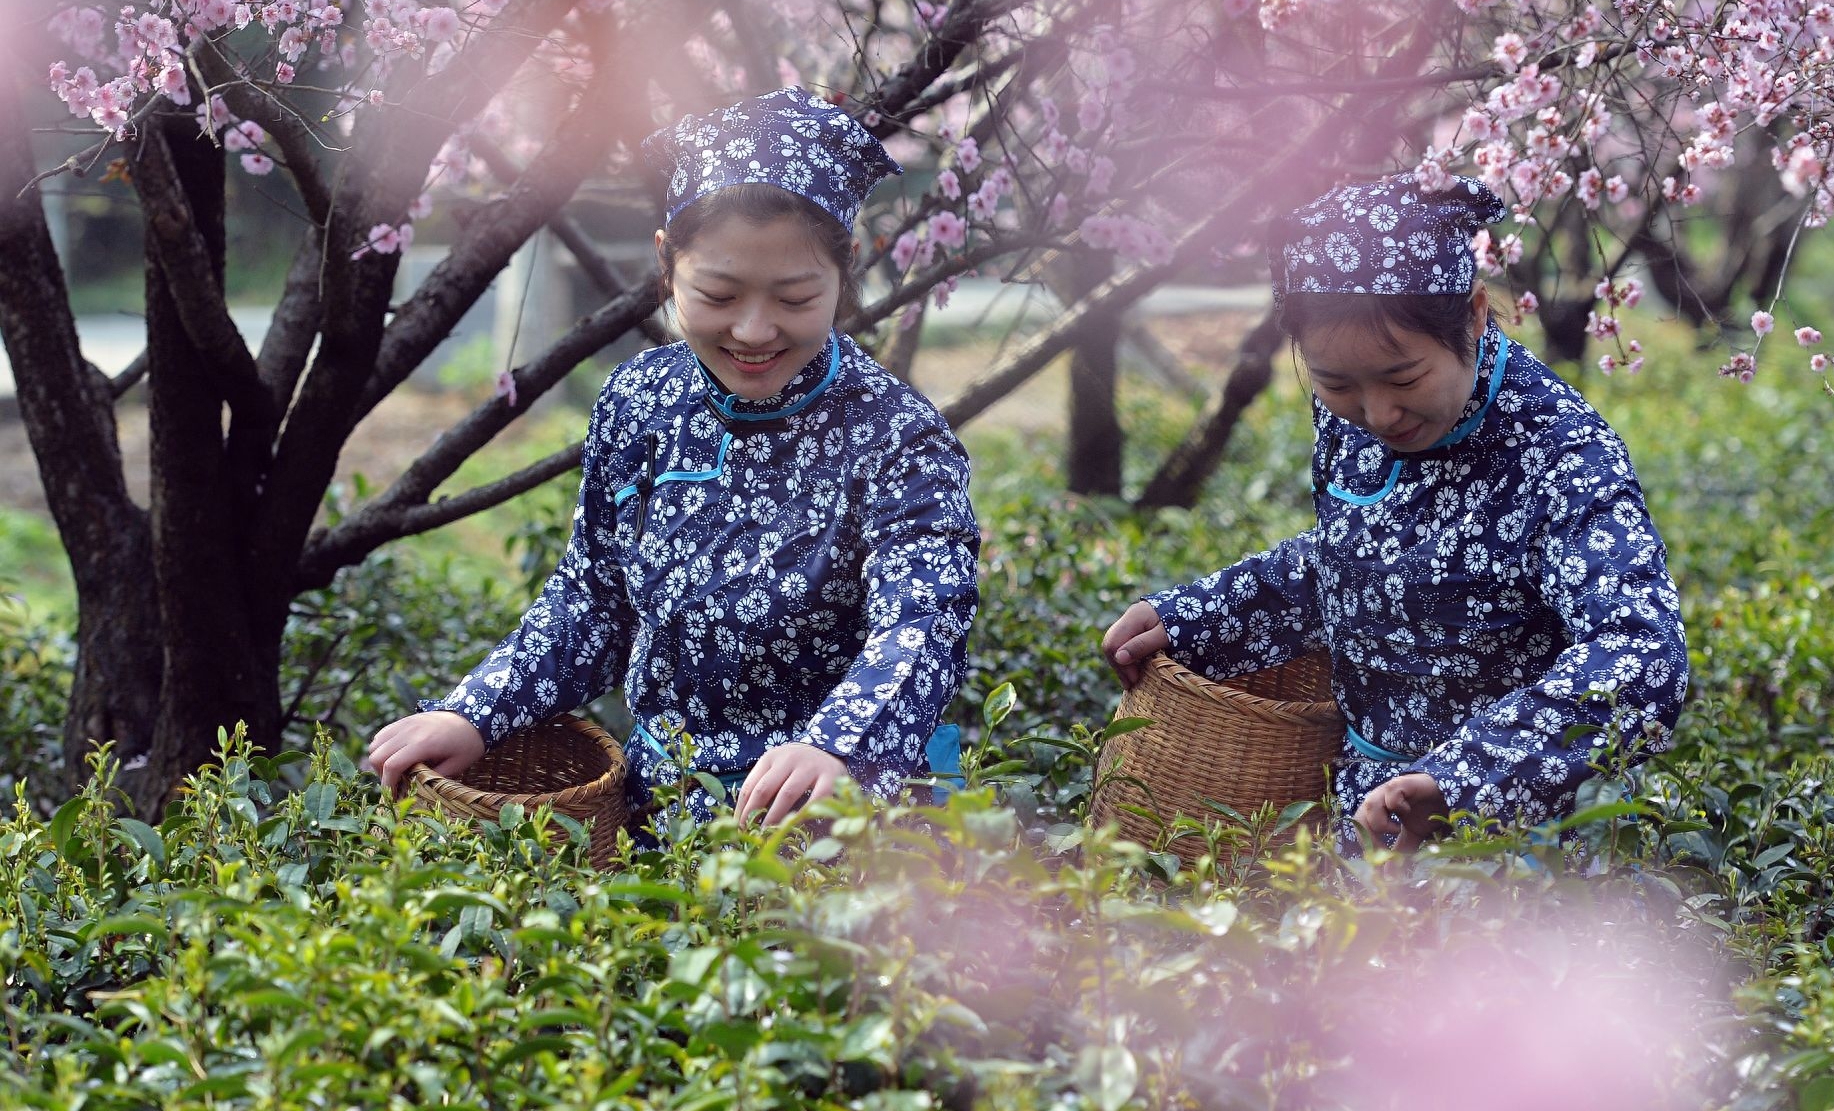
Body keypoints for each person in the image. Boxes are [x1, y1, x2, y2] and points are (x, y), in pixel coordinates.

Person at [364, 87, 978, 831]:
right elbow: (595, 596)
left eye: (794, 297)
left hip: (829, 815)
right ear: (666, 265)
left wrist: (838, 747)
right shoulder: (639, 401)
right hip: (658, 809)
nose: (754, 330)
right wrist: (475, 712)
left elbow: (921, 620)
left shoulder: (897, 437)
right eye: (718, 293)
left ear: (843, 270)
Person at [1102, 175, 1688, 849]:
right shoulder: (1353, 417)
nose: (1377, 415)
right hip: (1360, 815)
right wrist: (1192, 619)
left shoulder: (1560, 455)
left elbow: (1642, 656)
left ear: (1471, 315)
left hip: (1518, 841)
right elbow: (1353, 558)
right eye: (1335, 383)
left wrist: (1463, 781)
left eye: (1404, 378)